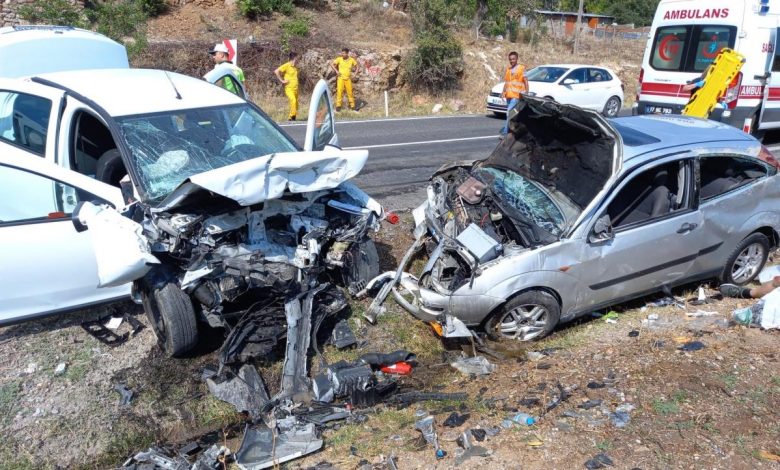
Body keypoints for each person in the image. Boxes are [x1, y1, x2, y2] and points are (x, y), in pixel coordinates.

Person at [500, 51, 529, 136]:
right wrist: (503, 91)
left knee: (509, 113)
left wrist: (526, 93)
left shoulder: (522, 68)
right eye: (510, 59)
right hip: (509, 95)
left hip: (516, 96)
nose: (511, 61)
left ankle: (506, 132)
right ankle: (515, 129)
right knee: (513, 114)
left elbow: (526, 81)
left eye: (513, 59)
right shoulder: (508, 69)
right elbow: (506, 82)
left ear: (517, 59)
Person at [275, 52, 300, 121]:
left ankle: (290, 118)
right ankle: (292, 117)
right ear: (294, 58)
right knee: (293, 100)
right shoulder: (287, 65)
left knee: (295, 104)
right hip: (289, 88)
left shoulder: (295, 67)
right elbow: (276, 71)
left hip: (296, 88)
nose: (298, 59)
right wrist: (282, 81)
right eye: (297, 57)